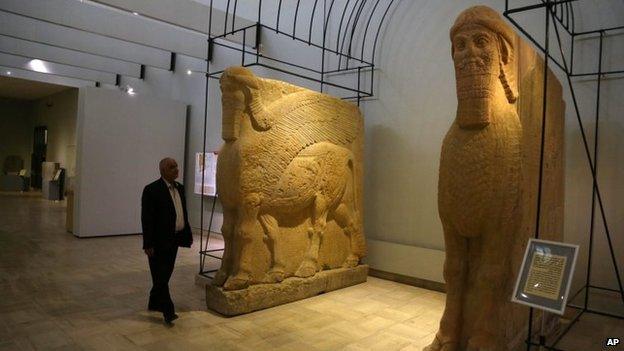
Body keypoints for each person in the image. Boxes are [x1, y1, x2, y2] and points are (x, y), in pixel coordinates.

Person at [141, 157, 193, 324]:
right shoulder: (151, 190)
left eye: (176, 166)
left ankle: (154, 302)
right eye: (172, 167)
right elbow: (147, 218)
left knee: (165, 273)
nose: (176, 169)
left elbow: (181, 211)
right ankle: (168, 311)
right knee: (160, 276)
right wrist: (148, 243)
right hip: (157, 241)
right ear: (162, 171)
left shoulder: (180, 188)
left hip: (174, 239)